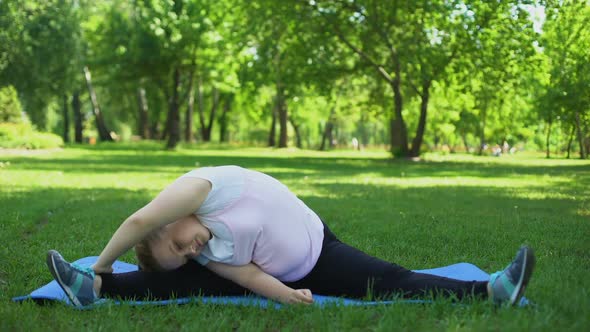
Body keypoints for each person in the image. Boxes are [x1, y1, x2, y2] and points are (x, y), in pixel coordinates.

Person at [46, 165, 535, 308]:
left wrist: (103, 262)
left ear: (167, 222)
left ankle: (491, 289)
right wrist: (287, 296)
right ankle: (94, 290)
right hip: (287, 273)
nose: (192, 249)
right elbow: (247, 273)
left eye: (180, 244)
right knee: (179, 281)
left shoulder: (196, 190)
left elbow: (136, 222)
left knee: (392, 279)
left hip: (322, 250)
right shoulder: (208, 251)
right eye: (187, 253)